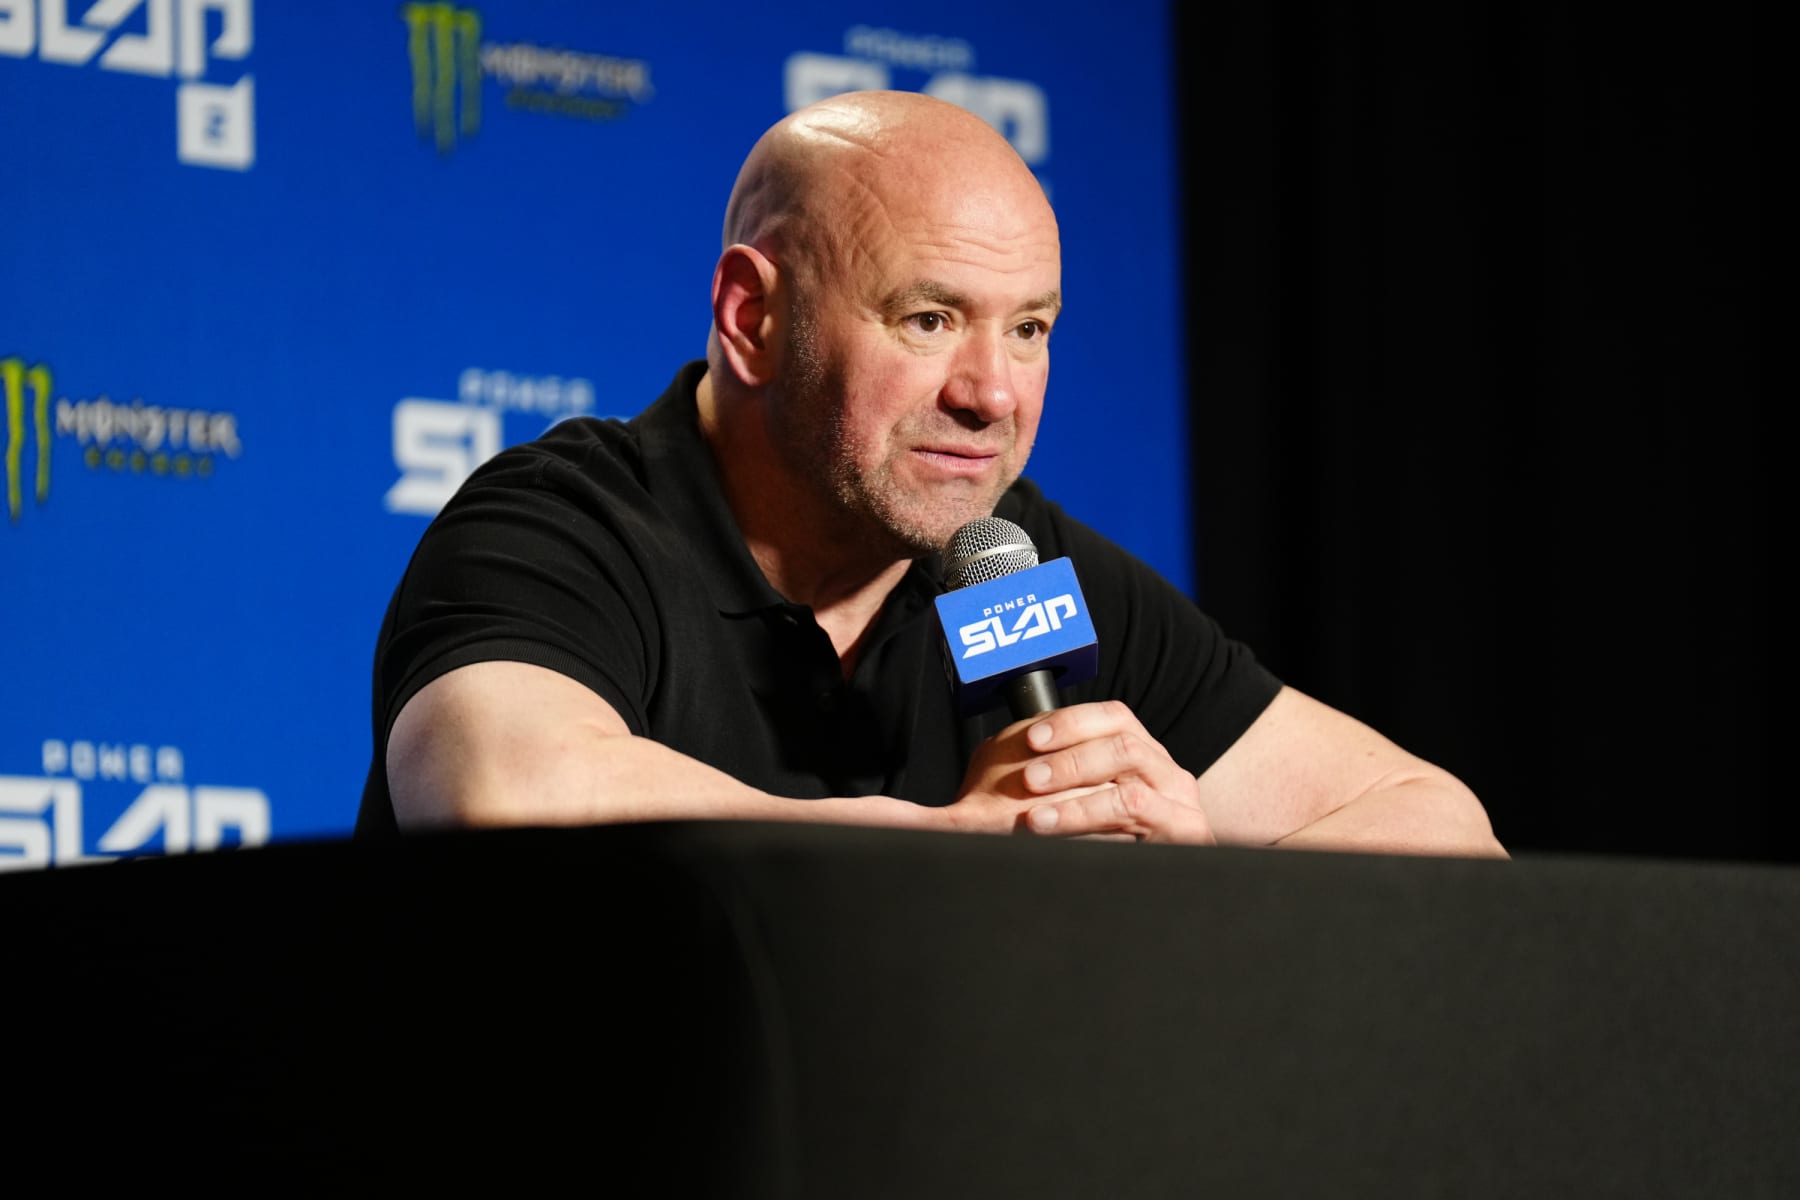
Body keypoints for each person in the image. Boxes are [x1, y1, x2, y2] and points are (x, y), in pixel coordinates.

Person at [356, 90, 1504, 857]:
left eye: (1031, 329)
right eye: (929, 317)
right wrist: (964, 846)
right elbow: (503, 796)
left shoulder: (1010, 568)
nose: (991, 393)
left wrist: (1195, 874)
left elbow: (1440, 823)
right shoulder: (573, 523)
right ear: (752, 318)